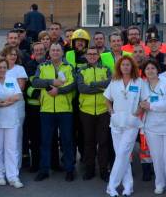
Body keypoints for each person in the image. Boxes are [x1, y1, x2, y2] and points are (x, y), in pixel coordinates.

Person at [32, 43, 76, 182]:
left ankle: (69, 169)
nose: (55, 52)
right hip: (47, 110)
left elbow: (73, 85)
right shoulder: (42, 66)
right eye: (53, 50)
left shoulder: (69, 67)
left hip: (65, 110)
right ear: (49, 52)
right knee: (45, 141)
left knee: (67, 141)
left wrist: (59, 90)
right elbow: (36, 82)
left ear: (62, 53)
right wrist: (51, 82)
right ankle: (44, 170)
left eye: (58, 50)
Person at [104, 56, 142, 197]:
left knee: (123, 152)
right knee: (122, 154)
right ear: (119, 67)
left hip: (131, 124)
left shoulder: (139, 82)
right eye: (123, 65)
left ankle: (111, 185)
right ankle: (128, 186)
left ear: (132, 67)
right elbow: (107, 98)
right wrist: (111, 112)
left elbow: (144, 101)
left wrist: (136, 114)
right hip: (116, 123)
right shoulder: (114, 82)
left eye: (128, 65)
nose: (125, 67)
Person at [139, 60, 166, 195]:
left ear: (157, 69)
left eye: (153, 68)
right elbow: (140, 103)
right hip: (151, 127)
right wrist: (144, 105)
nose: (150, 70)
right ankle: (160, 183)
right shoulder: (142, 85)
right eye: (147, 68)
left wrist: (151, 106)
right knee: (156, 157)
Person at [75, 46, 111, 181]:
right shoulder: (81, 70)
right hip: (86, 111)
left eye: (94, 54)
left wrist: (93, 84)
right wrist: (100, 88)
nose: (92, 56)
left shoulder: (106, 69)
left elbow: (109, 84)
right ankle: (89, 169)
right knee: (88, 142)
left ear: (98, 55)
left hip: (103, 110)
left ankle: (103, 170)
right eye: (89, 54)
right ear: (86, 56)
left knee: (103, 142)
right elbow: (82, 88)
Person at [0, 57, 24, 188]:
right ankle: (0, 175)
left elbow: (18, 95)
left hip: (11, 120)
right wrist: (3, 103)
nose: (2, 69)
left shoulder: (11, 80)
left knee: (11, 149)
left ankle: (13, 176)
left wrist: (4, 102)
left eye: (4, 67)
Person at [23, 41, 47, 172]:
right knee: (35, 139)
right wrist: (39, 95)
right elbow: (28, 86)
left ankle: (50, 164)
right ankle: (35, 165)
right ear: (33, 52)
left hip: (48, 107)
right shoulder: (28, 66)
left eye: (41, 50)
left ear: (45, 51)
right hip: (33, 108)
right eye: (36, 50)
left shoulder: (49, 64)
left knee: (49, 138)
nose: (39, 52)